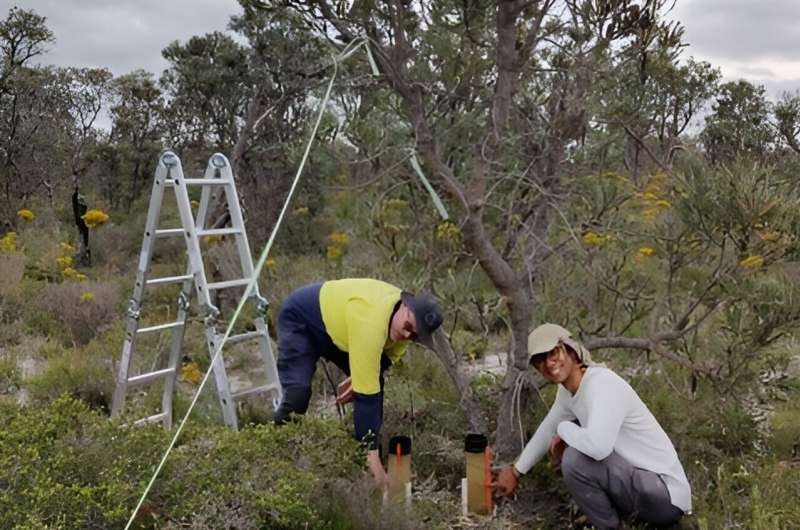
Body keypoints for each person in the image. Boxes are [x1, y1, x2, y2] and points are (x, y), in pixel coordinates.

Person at [494, 323, 691, 529]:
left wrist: (564, 429)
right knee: (576, 454)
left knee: (575, 459)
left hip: (665, 495)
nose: (549, 363)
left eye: (553, 352)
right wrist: (516, 471)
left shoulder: (601, 384)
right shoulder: (569, 391)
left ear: (569, 350)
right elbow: (547, 429)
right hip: (644, 487)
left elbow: (598, 448)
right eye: (539, 360)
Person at [273, 278, 443, 486]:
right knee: (299, 394)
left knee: (372, 384)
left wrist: (360, 377)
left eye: (415, 336)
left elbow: (381, 363)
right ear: (405, 306)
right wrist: (374, 464)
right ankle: (276, 454)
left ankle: (365, 460)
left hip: (340, 330)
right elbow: (367, 398)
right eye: (408, 326)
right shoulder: (371, 321)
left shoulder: (403, 330)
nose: (407, 335)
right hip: (302, 318)